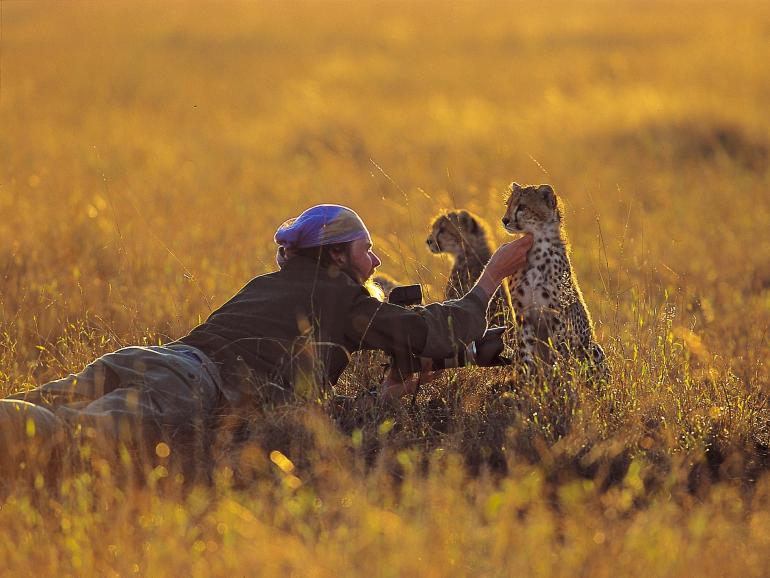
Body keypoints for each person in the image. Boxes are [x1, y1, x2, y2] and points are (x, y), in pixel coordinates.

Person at [0, 204, 533, 479]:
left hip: (145, 360)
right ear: (336, 256)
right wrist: (490, 277)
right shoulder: (339, 296)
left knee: (30, 409)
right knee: (64, 437)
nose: (376, 263)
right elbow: (429, 331)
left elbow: (293, 410)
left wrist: (384, 399)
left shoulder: (270, 286)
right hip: (186, 382)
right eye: (367, 250)